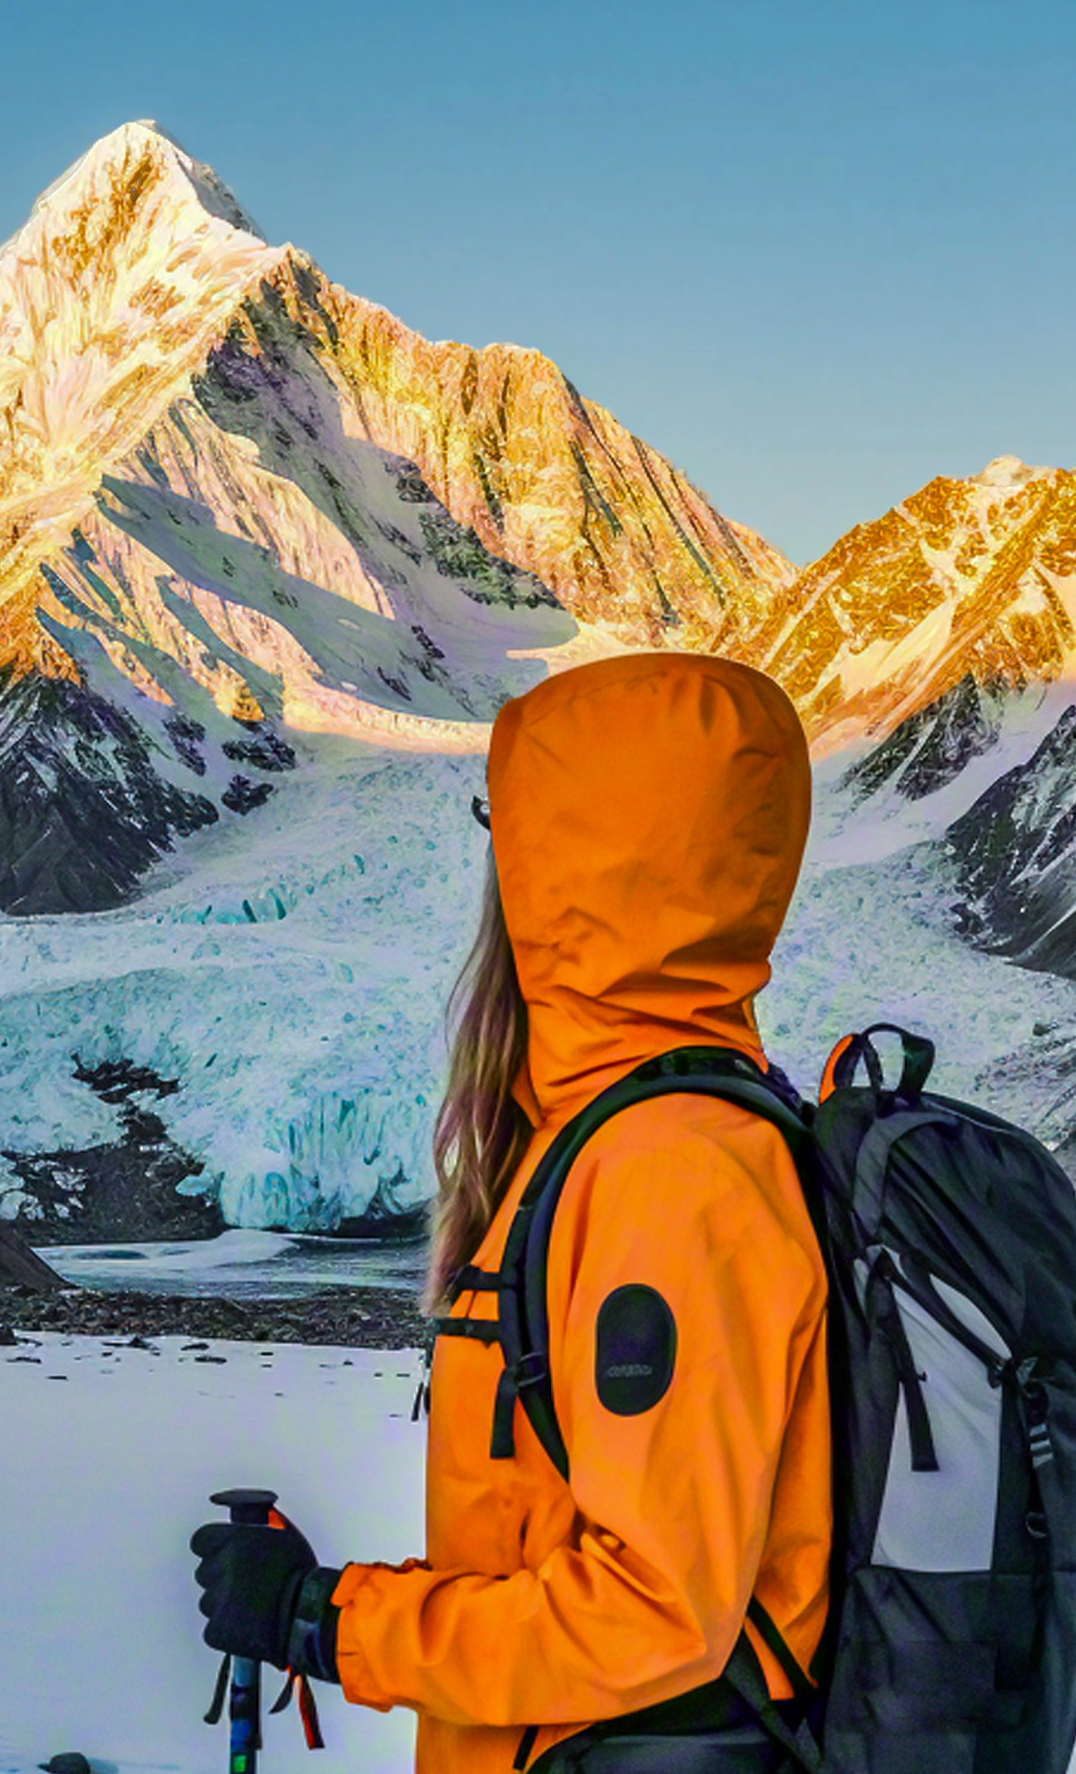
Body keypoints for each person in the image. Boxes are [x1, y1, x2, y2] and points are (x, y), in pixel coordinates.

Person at [193, 652, 833, 1772]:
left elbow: (653, 1612)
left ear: (565, 867)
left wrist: (332, 1622)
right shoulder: (620, 1143)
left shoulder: (672, 1175)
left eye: (509, 826)